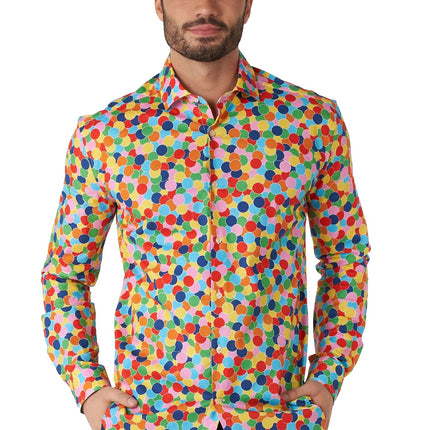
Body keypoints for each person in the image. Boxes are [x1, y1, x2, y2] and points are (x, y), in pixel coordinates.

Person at [41, 1, 370, 429]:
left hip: (275, 416)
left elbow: (345, 256)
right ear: (158, 4)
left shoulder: (311, 123)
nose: (204, 6)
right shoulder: (106, 135)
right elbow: (66, 272)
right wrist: (87, 387)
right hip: (149, 417)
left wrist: (328, 375)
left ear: (248, 4)